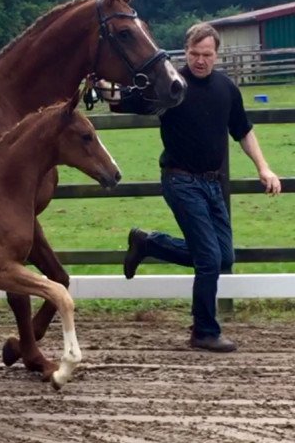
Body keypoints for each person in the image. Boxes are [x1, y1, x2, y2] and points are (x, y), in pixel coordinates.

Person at [100, 23, 282, 352]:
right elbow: (125, 100)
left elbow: (243, 130)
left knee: (222, 255)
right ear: (185, 52)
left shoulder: (226, 88)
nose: (200, 60)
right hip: (180, 180)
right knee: (209, 258)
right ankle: (204, 331)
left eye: (207, 54)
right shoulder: (171, 85)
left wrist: (264, 167)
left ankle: (148, 243)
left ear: (217, 54)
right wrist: (103, 86)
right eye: (194, 54)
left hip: (213, 184)